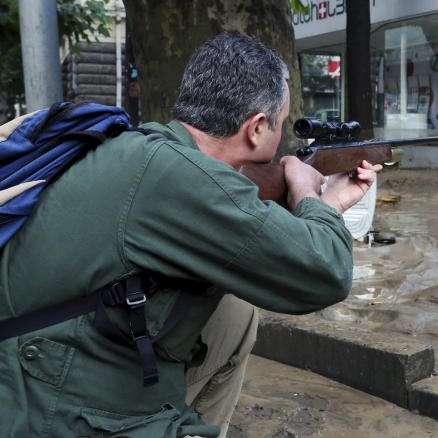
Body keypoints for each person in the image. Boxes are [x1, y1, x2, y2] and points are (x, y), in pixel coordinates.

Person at [0, 33, 381, 437]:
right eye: (282, 124)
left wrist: (323, 202)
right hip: (45, 399)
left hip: (44, 358)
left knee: (234, 315)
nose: (282, 138)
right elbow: (324, 273)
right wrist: (312, 195)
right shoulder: (179, 179)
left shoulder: (144, 147)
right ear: (256, 128)